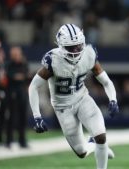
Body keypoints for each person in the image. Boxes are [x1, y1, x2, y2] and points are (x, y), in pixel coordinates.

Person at [28, 24, 119, 169]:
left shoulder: (89, 54)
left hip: (82, 99)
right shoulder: (53, 60)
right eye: (71, 47)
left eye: (78, 46)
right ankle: (93, 145)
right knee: (81, 152)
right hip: (62, 107)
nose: (76, 51)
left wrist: (113, 99)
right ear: (61, 46)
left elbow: (106, 81)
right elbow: (33, 86)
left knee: (101, 136)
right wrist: (37, 116)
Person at [6, 46, 29, 148]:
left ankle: (22, 141)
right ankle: (9, 141)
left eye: (18, 54)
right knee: (11, 118)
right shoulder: (9, 65)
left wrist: (20, 77)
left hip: (22, 94)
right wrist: (20, 77)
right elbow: (10, 76)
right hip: (12, 94)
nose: (17, 56)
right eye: (15, 54)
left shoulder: (24, 64)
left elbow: (27, 76)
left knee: (23, 118)